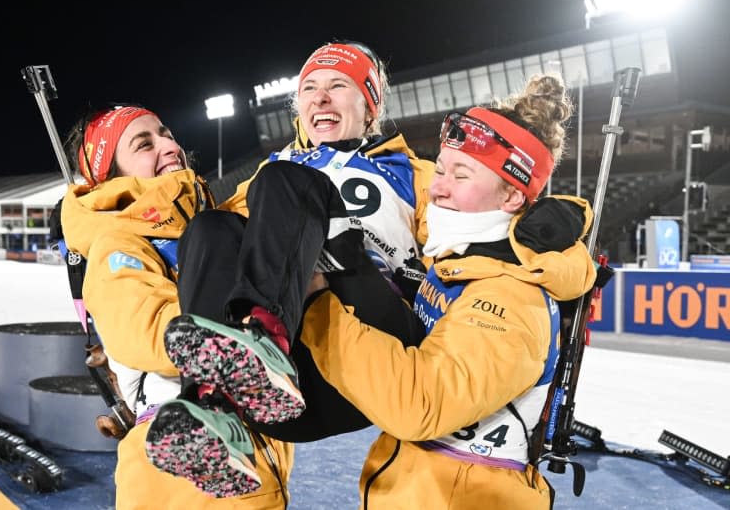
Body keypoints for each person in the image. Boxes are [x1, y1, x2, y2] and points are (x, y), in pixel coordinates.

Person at [144, 40, 435, 498]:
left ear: (370, 105)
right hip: (289, 395)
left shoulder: (417, 175)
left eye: (337, 86)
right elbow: (198, 247)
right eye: (309, 89)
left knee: (283, 181)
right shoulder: (275, 169)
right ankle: (212, 404)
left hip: (373, 353)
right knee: (211, 226)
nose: (319, 98)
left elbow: (480, 240)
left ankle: (265, 338)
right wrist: (109, 222)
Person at [298, 73, 598, 509]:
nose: (438, 188)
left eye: (461, 175)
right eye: (440, 169)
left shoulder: (510, 294)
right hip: (422, 487)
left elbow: (419, 405)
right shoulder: (460, 264)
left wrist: (316, 306)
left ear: (513, 196)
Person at [58, 105, 293, 509]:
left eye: (166, 133)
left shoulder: (207, 226)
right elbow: (144, 329)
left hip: (246, 453)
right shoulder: (119, 244)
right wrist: (238, 340)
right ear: (117, 177)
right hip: (177, 464)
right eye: (144, 144)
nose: (168, 145)